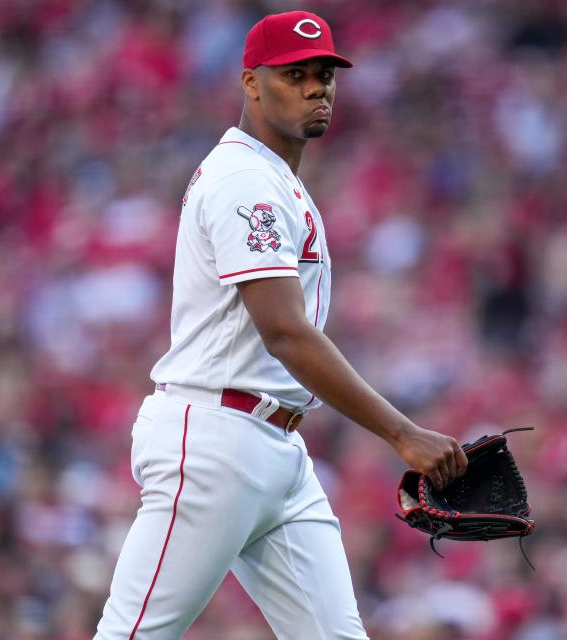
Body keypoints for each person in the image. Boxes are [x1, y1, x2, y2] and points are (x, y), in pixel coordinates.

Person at [94, 11, 468, 640]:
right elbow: (285, 333)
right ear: (251, 83)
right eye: (295, 75)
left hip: (275, 446)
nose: (316, 87)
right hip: (215, 438)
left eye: (324, 74)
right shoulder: (247, 181)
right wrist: (402, 433)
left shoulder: (272, 176)